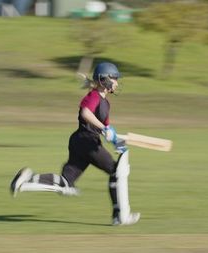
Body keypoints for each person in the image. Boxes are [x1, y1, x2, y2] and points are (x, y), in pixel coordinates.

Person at [10, 62, 140, 225]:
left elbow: (106, 129)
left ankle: (26, 180)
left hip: (83, 142)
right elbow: (86, 113)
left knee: (66, 183)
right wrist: (104, 129)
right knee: (117, 172)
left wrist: (115, 139)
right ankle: (121, 216)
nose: (117, 83)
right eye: (115, 78)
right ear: (104, 79)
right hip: (86, 141)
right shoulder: (93, 96)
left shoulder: (106, 103)